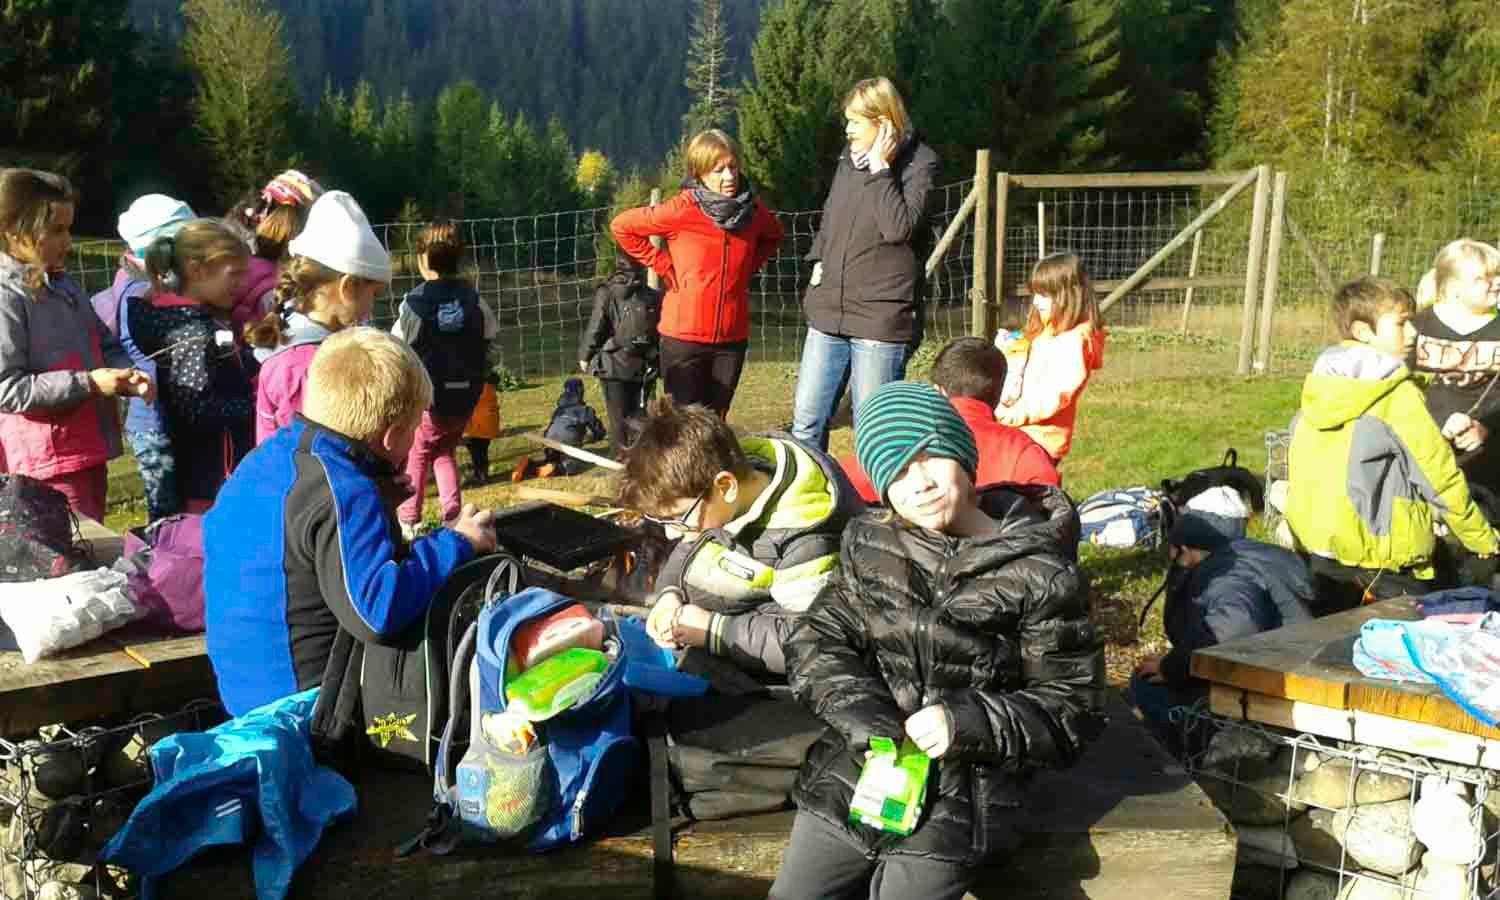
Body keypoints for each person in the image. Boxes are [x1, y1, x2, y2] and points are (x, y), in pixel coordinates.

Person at [771, 381, 1103, 900]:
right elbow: (818, 640)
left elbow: (1069, 708)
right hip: (858, 771)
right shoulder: (871, 541)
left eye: (930, 457)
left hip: (963, 795)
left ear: (965, 456)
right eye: (897, 473)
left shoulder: (1041, 573)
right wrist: (864, 717)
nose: (919, 483)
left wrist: (964, 722)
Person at [203, 327, 497, 717]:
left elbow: (299, 545)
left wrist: (376, 507)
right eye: (412, 430)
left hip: (244, 690)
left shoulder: (265, 461)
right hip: (306, 713)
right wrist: (455, 542)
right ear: (392, 437)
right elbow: (375, 611)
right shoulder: (342, 491)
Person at [1286, 277, 1498, 613]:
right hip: (1382, 559)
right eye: (1401, 323)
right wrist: (1481, 538)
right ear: (1362, 331)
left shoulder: (1323, 386)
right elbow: (1439, 478)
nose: (1413, 333)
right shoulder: (1396, 396)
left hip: (1320, 552)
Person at [627, 395, 864, 678]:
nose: (670, 532)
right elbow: (691, 549)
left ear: (725, 486)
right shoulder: (720, 496)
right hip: (706, 623)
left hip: (757, 661)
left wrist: (714, 631)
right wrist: (669, 593)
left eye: (676, 518)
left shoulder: (807, 542)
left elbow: (812, 640)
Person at [791, 76, 941, 452]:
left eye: (856, 121)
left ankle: (878, 506)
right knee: (807, 421)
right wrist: (818, 260)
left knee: (875, 431)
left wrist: (880, 170)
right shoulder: (847, 160)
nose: (848, 129)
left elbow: (897, 227)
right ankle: (808, 504)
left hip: (880, 318)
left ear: (884, 122)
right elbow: (832, 213)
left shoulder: (921, 164)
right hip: (829, 312)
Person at [0, 169, 153, 521]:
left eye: (69, 228)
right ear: (14, 231)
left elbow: (102, 340)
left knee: (92, 552)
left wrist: (126, 374)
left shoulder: (64, 285)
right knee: (73, 565)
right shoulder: (8, 296)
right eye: (55, 231)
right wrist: (89, 383)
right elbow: (7, 388)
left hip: (86, 449)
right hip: (47, 464)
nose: (67, 241)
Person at [610, 130, 784, 419]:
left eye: (733, 167)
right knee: (683, 425)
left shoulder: (751, 211)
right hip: (683, 340)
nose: (729, 176)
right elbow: (622, 226)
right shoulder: (682, 209)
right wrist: (663, 265)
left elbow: (774, 234)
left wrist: (746, 268)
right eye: (719, 170)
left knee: (716, 422)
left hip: (731, 339)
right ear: (700, 172)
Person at [1131, 489, 1314, 757]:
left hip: (1273, 686)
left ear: (1187, 547)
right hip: (1288, 665)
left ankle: (1193, 759)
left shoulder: (1227, 574)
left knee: (1146, 687)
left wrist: (1174, 667)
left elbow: (1233, 626)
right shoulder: (1257, 557)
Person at [129, 220, 256, 512]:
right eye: (234, 274)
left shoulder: (204, 319)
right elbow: (196, 407)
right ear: (197, 270)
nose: (242, 283)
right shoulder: (192, 332)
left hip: (212, 468)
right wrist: (255, 404)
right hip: (211, 475)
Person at [247, 191, 392, 444]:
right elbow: (322, 453)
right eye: (374, 294)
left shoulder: (295, 343)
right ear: (348, 287)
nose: (372, 306)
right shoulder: (309, 367)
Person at [839, 337, 1059, 502]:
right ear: (999, 395)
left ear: (938, 391)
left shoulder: (905, 440)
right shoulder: (1023, 450)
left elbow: (840, 482)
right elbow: (1051, 508)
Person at [90, 194, 194, 520]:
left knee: (173, 508)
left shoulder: (139, 285)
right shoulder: (141, 295)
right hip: (156, 420)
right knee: (167, 516)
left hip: (158, 416)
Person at [391, 220, 493, 540]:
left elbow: (398, 344)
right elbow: (490, 335)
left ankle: (409, 519)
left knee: (418, 453)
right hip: (464, 398)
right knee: (445, 451)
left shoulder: (415, 302)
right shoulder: (473, 298)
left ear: (422, 259)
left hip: (429, 398)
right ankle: (452, 515)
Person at [994, 252, 1106, 463]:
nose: (1036, 302)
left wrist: (1009, 415)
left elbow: (1054, 397)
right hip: (1022, 432)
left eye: (1044, 295)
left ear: (1068, 294)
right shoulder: (1051, 327)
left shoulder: (1074, 342)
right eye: (1035, 293)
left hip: (1040, 440)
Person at [1411, 239, 1500, 499]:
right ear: (1453, 288)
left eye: (1498, 275)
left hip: (1486, 455)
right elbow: (1402, 388)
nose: (1497, 283)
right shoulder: (1417, 328)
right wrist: (1436, 423)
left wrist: (1485, 426)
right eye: (1484, 278)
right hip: (1425, 450)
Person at [579, 261, 661, 457]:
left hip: (613, 363)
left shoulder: (606, 292)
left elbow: (596, 326)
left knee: (618, 418)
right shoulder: (652, 294)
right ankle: (643, 460)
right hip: (644, 363)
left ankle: (620, 460)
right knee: (641, 415)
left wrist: (585, 355)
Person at [229, 170, 323, 332]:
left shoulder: (234, 263)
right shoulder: (310, 287)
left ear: (268, 202)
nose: (253, 211)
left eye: (262, 203)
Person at [512, 377, 606, 480]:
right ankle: (556, 468)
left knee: (550, 460)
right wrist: (595, 437)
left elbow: (550, 427)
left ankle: (529, 465)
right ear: (581, 391)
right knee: (570, 467)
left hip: (550, 440)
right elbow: (599, 431)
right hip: (568, 439)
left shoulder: (559, 410)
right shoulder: (585, 410)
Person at [463, 372, 501, 485]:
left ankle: (480, 474)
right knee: (482, 449)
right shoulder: (490, 381)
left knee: (476, 449)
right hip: (488, 421)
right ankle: (482, 472)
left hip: (474, 424)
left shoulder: (469, 381)